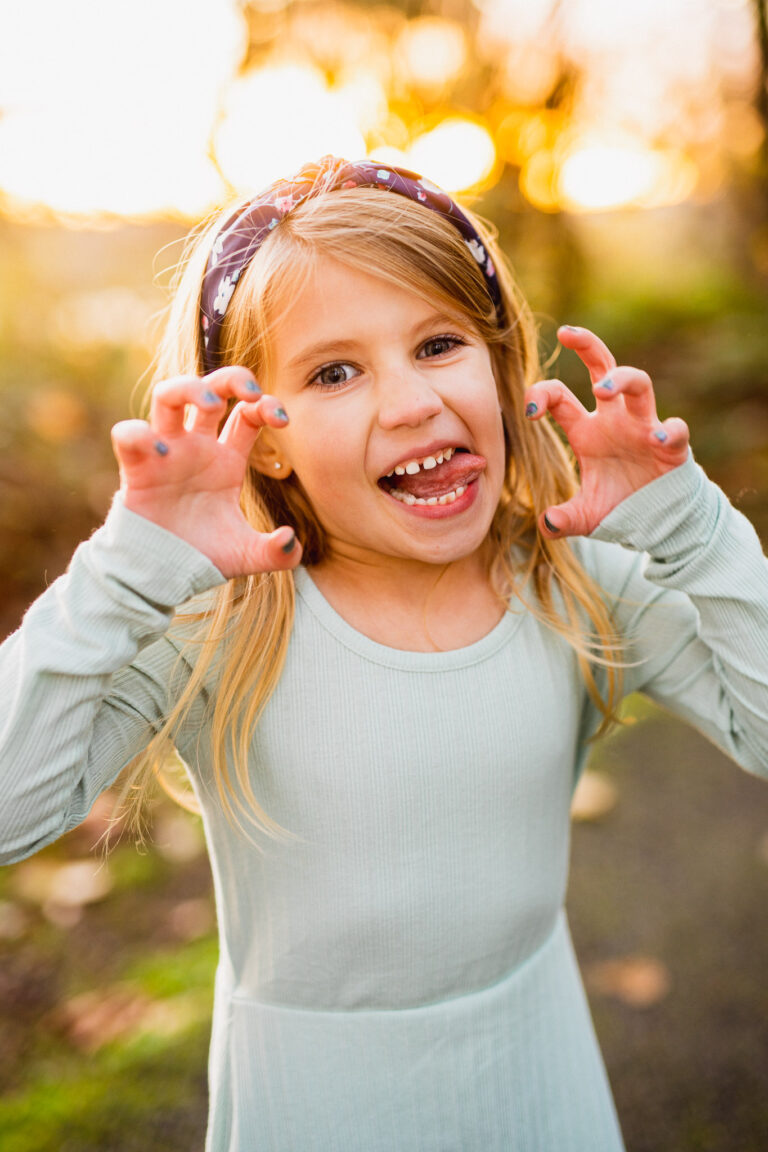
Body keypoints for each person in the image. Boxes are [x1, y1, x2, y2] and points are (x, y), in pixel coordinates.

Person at [1, 155, 767, 1152]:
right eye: (335, 372)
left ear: (501, 367)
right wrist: (126, 573)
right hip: (311, 1113)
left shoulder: (574, 582)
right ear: (261, 439)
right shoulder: (219, 626)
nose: (410, 403)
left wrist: (693, 532)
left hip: (541, 1092)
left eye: (439, 344)